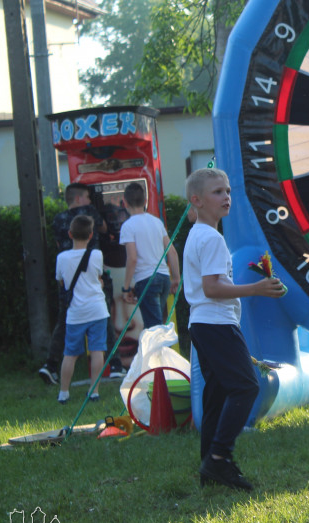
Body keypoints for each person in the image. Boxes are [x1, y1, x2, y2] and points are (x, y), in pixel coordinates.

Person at [184, 167, 287, 490]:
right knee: (245, 387)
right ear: (196, 200)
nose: (226, 197)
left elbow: (210, 287)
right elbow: (212, 289)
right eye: (217, 192)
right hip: (215, 324)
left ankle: (209, 474)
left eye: (228, 191)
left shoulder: (199, 234)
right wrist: (255, 289)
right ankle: (218, 459)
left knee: (216, 396)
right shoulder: (211, 238)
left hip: (204, 325)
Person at [38, 183, 108, 385]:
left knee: (64, 328)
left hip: (68, 286)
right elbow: (104, 227)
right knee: (101, 333)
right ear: (79, 199)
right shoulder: (89, 213)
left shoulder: (58, 219)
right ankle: (116, 365)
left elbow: (59, 251)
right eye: (87, 196)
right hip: (92, 284)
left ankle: (52, 366)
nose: (89, 200)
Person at [56, 215, 109, 405]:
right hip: (97, 309)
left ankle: (64, 392)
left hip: (75, 313)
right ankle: (94, 391)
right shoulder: (96, 255)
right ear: (91, 235)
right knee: (97, 350)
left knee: (70, 353)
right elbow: (98, 278)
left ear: (70, 234)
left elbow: (62, 283)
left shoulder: (61, 258)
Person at [120, 182, 180, 329]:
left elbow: (132, 258)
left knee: (154, 328)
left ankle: (159, 352)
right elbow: (171, 251)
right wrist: (176, 278)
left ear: (125, 202)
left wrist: (126, 287)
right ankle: (160, 351)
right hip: (164, 277)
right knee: (158, 323)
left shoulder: (128, 226)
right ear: (145, 201)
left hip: (146, 279)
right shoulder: (156, 222)